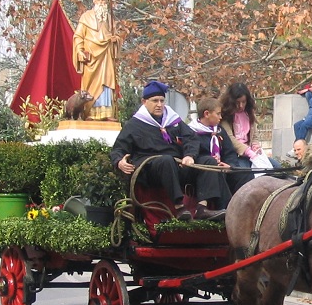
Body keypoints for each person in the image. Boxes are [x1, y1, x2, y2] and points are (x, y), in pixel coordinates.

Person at [110, 81, 227, 221]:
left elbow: (192, 138)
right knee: (165, 160)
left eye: (162, 100)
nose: (159, 104)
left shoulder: (173, 121)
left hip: (176, 166)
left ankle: (202, 208)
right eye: (154, 101)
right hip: (152, 170)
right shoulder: (134, 125)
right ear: (144, 102)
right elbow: (118, 149)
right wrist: (119, 162)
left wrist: (189, 155)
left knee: (208, 161)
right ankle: (179, 207)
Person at [72, 0, 120, 121]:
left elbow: (115, 36)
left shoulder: (110, 19)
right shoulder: (86, 17)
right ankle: (89, 113)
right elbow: (78, 36)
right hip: (92, 57)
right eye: (99, 1)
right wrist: (80, 50)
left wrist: (116, 40)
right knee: (90, 85)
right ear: (94, 3)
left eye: (104, 1)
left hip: (105, 55)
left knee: (107, 84)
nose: (102, 3)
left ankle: (107, 113)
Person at [191, 97, 249, 201]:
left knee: (244, 174)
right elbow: (193, 153)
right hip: (205, 170)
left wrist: (230, 165)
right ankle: (224, 207)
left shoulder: (219, 131)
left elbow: (229, 152)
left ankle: (243, 204)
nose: (221, 117)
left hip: (222, 167)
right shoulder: (192, 132)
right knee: (215, 169)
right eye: (218, 114)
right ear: (207, 114)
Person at [220, 82, 279, 170]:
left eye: (243, 102)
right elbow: (230, 139)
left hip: (252, 154)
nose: (241, 106)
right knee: (247, 172)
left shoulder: (249, 113)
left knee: (276, 166)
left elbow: (254, 135)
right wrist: (248, 152)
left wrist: (255, 146)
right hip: (236, 156)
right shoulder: (224, 116)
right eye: (237, 102)